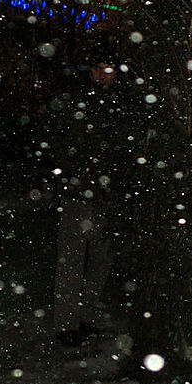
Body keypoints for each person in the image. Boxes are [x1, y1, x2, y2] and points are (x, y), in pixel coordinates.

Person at [42, 51, 148, 347]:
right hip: (78, 191)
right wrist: (72, 172)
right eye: (101, 68)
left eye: (110, 69)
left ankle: (86, 315)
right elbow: (58, 138)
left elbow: (126, 145)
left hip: (107, 194)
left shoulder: (122, 102)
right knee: (72, 259)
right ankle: (67, 323)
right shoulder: (75, 99)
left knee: (102, 256)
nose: (105, 74)